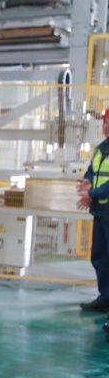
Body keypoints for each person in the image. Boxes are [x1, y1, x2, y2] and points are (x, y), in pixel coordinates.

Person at [76, 107, 109, 313]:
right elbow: (92, 170)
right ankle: (105, 298)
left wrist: (93, 194)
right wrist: (87, 181)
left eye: (108, 122)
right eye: (104, 122)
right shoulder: (101, 149)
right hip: (100, 211)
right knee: (99, 257)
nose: (106, 126)